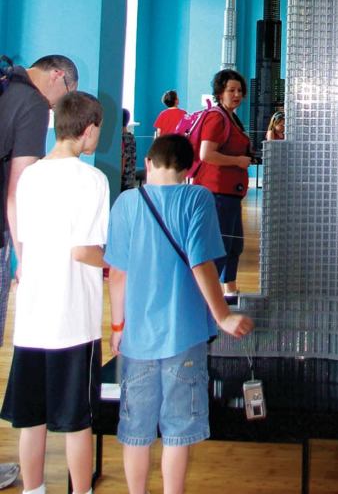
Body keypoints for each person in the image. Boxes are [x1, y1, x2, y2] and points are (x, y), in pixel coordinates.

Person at [105, 133, 253, 494]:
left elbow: (118, 274)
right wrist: (223, 315)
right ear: (189, 169)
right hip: (185, 335)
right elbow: (202, 263)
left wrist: (118, 326)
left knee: (136, 430)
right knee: (177, 431)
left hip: (138, 336)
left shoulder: (126, 203)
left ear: (148, 163)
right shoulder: (198, 198)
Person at [0, 91, 109, 494]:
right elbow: (84, 250)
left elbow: (25, 239)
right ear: (89, 130)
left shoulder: (30, 177)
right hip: (73, 322)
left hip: (32, 320)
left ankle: (33, 489)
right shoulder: (92, 180)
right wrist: (117, 261)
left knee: (32, 418)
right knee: (78, 420)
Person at [0, 54, 79, 491]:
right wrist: (23, 259)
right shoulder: (31, 103)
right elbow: (20, 189)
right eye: (65, 95)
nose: (58, 108)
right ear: (57, 76)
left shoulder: (5, 84)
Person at [199, 69, 252, 299]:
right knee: (220, 246)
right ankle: (208, 299)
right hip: (217, 193)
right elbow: (206, 154)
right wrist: (238, 161)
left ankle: (229, 291)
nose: (237, 94)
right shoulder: (217, 118)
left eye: (239, 90)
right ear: (220, 93)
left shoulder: (231, 118)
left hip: (230, 193)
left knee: (233, 245)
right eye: (231, 90)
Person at [121, 108, 137, 190]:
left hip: (122, 181)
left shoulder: (121, 139)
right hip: (131, 179)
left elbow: (123, 159)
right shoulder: (132, 137)